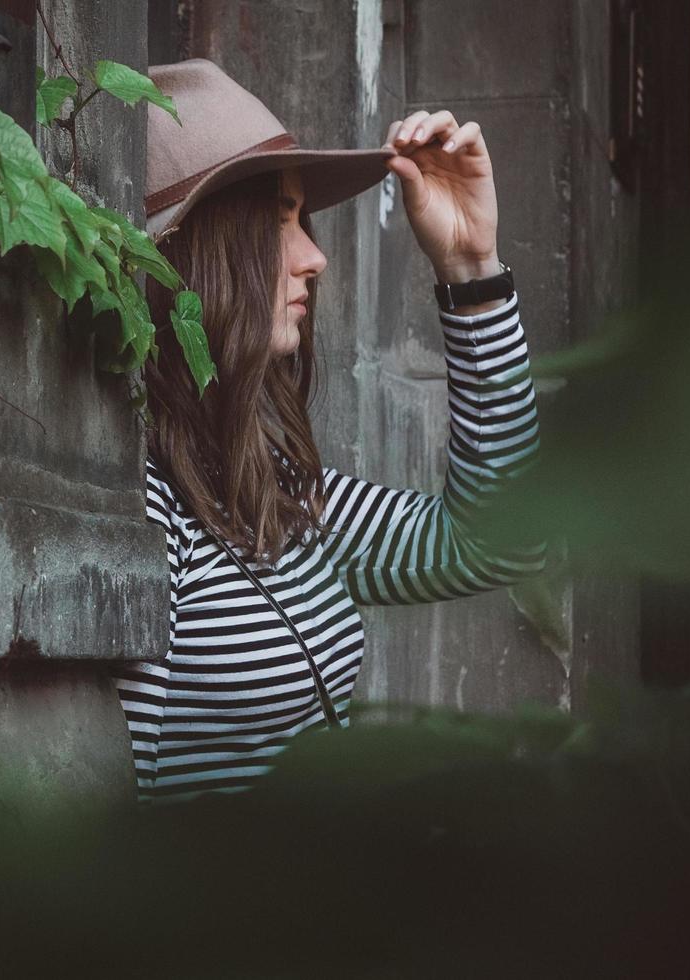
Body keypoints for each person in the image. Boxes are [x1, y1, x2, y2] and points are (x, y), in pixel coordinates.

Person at [113, 58, 547, 805]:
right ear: (194, 250)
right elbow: (117, 815)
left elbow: (499, 541)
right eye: (279, 219)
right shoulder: (142, 507)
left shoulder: (270, 494)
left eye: (301, 220)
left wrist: (471, 270)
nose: (314, 256)